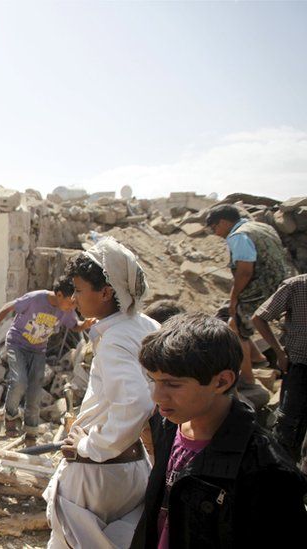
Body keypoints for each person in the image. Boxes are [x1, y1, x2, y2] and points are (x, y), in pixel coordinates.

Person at [131, 313, 307, 548]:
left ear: (222, 381)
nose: (156, 396)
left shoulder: (266, 471)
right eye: (153, 380)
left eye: (173, 384)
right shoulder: (168, 425)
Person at [45, 237, 158, 549]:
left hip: (98, 475)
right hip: (132, 468)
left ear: (106, 292)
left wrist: (88, 445)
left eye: (80, 290)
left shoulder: (116, 340)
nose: (75, 298)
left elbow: (136, 403)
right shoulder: (143, 325)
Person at [0, 276, 95, 436]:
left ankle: (31, 429)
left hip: (38, 350)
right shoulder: (35, 299)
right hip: (17, 344)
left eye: (75, 302)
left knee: (35, 389)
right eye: (71, 301)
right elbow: (7, 308)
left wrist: (85, 325)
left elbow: (75, 326)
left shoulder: (66, 309)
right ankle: (10, 417)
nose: (73, 305)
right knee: (19, 381)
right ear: (59, 295)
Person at [207, 204, 293, 410]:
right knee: (224, 313)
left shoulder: (238, 236)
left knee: (234, 328)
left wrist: (235, 297)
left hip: (261, 289)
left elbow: (245, 271)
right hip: (280, 284)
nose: (214, 233)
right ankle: (257, 357)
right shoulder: (261, 227)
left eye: (213, 227)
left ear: (224, 222)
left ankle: (247, 380)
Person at [252, 273, 307, 462]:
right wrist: (279, 352)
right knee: (288, 425)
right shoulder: (296, 285)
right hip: (299, 367)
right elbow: (259, 317)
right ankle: (285, 475)